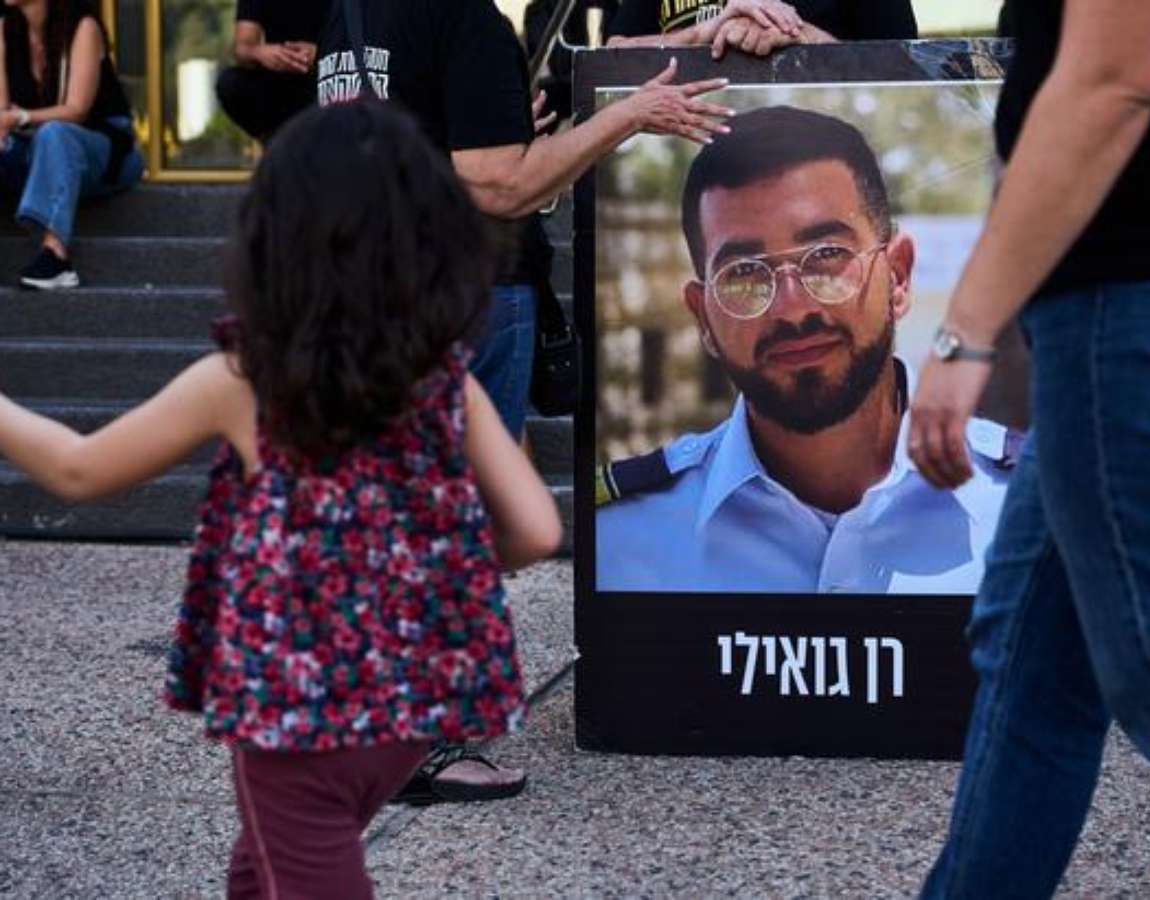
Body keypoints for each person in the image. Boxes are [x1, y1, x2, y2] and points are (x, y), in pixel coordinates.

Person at [0, 100, 563, 898]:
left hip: (300, 716)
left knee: (300, 858)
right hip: (412, 711)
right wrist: (424, 569)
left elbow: (79, 472)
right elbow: (536, 530)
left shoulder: (247, 381)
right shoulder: (443, 380)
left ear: (273, 240)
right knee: (260, 869)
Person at [317, 0, 732, 802]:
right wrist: (630, 115)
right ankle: (417, 744)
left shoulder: (353, 15)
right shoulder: (465, 21)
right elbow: (499, 184)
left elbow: (408, 150)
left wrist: (534, 139)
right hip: (462, 294)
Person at [907, 0, 1150, 894]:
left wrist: (965, 331)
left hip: (1134, 298)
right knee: (1035, 660)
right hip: (1119, 299)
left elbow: (1111, 81)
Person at [596, 106, 1014, 594]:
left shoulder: (1027, 504)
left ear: (898, 276)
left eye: (828, 257)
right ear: (703, 316)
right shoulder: (620, 536)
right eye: (744, 273)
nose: (793, 309)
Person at [0, 0, 142, 290]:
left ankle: (56, 256)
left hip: (104, 151)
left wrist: (22, 117)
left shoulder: (82, 27)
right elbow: (2, 117)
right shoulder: (7, 29)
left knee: (54, 134)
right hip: (35, 147)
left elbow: (76, 110)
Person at [607, 0, 917, 58]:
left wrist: (803, 34)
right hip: (681, 137)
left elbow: (908, 66)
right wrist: (701, 33)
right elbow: (612, 54)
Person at [215, 0, 327, 142]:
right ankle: (272, 141)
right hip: (278, 82)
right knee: (230, 82)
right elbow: (242, 48)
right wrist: (260, 52)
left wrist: (322, 54)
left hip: (326, 75)